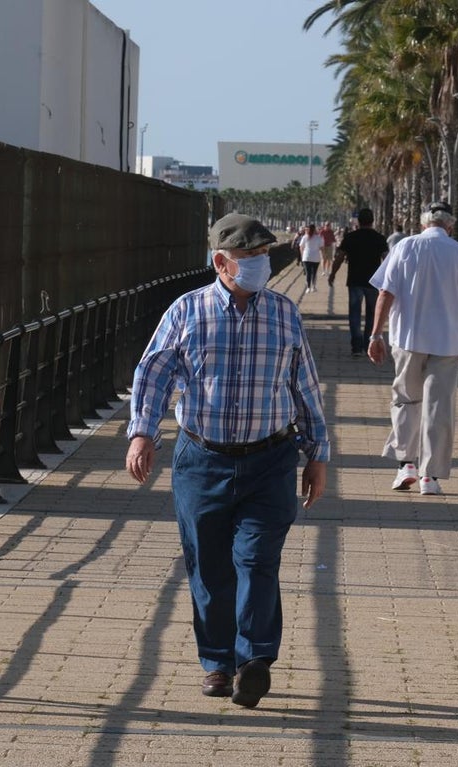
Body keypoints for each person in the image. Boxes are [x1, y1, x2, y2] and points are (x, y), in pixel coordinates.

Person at [125, 212, 328, 709]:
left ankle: (254, 658)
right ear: (221, 262)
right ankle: (218, 662)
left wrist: (317, 452)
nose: (260, 263)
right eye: (249, 257)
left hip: (270, 458)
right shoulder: (186, 311)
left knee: (257, 559)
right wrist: (141, 434)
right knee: (209, 567)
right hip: (202, 460)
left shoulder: (284, 313)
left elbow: (305, 385)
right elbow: (152, 374)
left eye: (263, 254)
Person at [367, 201, 458, 496]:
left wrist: (375, 334)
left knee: (406, 400)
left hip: (408, 338)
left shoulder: (405, 247)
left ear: (424, 225)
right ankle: (429, 476)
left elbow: (385, 292)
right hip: (448, 342)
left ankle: (406, 464)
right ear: (450, 226)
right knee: (439, 407)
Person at [328, 207, 388, 357]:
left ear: (359, 221)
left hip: (355, 280)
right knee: (371, 314)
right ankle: (368, 344)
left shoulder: (350, 237)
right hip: (374, 282)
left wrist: (332, 274)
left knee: (354, 314)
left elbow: (340, 257)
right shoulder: (379, 238)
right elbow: (387, 259)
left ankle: (356, 346)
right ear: (372, 221)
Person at [298, 223, 322, 293]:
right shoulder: (318, 238)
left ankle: (308, 287)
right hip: (315, 257)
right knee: (314, 273)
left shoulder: (305, 237)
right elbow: (321, 248)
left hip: (306, 257)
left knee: (308, 273)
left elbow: (301, 247)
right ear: (315, 229)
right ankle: (313, 287)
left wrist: (302, 255)